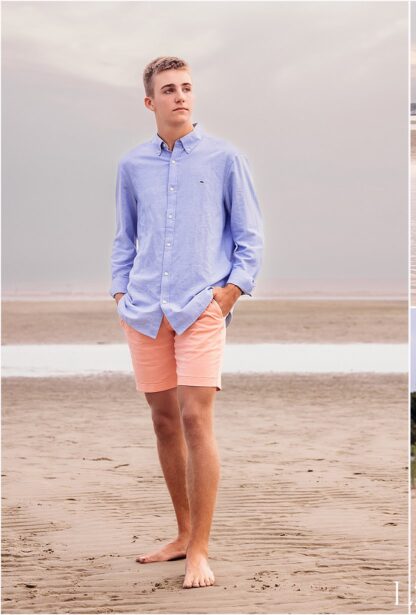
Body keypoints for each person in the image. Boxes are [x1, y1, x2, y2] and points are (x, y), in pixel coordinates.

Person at [110, 56, 264, 587]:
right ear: (150, 101)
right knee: (163, 420)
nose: (180, 96)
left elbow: (250, 237)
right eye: (168, 89)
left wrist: (229, 295)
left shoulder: (225, 158)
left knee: (197, 418)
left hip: (201, 306)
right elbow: (124, 236)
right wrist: (118, 289)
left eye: (187, 88)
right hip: (144, 307)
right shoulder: (132, 165)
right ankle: (180, 534)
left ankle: (200, 548)